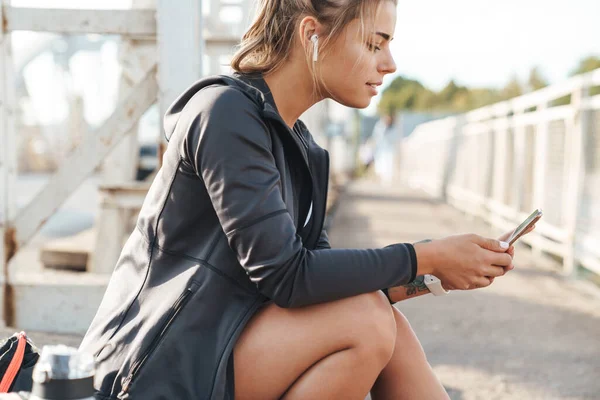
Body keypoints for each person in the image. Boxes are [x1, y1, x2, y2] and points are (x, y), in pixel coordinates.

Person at [79, 0, 535, 399]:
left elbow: (323, 283)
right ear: (312, 33)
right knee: (367, 322)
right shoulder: (224, 115)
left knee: (381, 322)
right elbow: (287, 276)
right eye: (375, 44)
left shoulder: (304, 148)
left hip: (216, 349)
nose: (390, 63)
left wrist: (435, 274)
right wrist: (424, 256)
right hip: (147, 372)